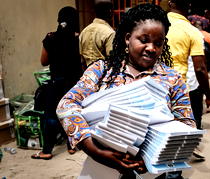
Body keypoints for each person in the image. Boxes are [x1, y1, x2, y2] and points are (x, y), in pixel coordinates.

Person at [56, 3, 196, 178]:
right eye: (144, 40)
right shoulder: (101, 71)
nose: (152, 48)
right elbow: (66, 105)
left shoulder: (172, 79)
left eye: (158, 43)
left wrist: (154, 158)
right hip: (103, 167)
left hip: (155, 172)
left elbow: (187, 124)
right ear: (128, 38)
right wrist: (93, 149)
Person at [166, 0, 210, 177]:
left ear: (170, 3)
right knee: (178, 138)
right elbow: (200, 68)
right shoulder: (191, 31)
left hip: (154, 88)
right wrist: (208, 96)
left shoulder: (157, 24)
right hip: (180, 91)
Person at [31, 6, 83, 160]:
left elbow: (43, 61)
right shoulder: (77, 38)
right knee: (72, 113)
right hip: (74, 84)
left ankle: (46, 151)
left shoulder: (50, 37)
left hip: (57, 82)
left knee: (51, 116)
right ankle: (71, 146)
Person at [79, 0, 115, 67]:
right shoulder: (109, 32)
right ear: (110, 11)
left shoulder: (84, 31)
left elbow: (81, 58)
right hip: (104, 74)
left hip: (87, 73)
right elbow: (112, 58)